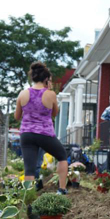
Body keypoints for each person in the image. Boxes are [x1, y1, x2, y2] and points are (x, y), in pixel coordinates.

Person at [14, 61, 68, 195]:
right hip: (44, 133)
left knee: (29, 169)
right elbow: (54, 114)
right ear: (46, 79)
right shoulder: (50, 94)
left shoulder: (23, 94)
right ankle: (61, 189)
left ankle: (28, 197)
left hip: (26, 133)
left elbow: (16, 116)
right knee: (62, 156)